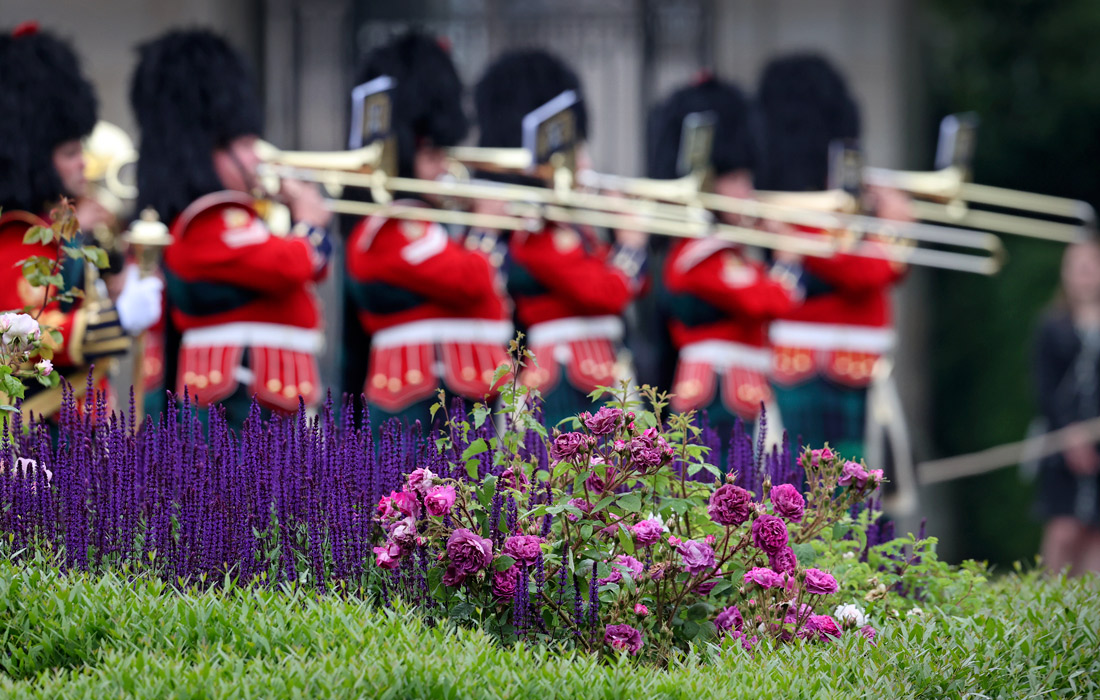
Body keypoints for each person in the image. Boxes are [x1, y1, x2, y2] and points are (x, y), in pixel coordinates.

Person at [130, 29, 333, 428]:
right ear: (204, 151)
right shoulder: (208, 221)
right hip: (235, 409)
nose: (255, 156)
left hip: (268, 400)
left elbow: (307, 270)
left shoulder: (235, 216)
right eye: (241, 144)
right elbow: (290, 265)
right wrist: (309, 222)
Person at [344, 32, 512, 428]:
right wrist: (486, 227)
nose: (444, 166)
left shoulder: (431, 222)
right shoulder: (392, 229)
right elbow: (472, 280)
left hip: (464, 393)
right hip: (420, 404)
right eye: (432, 152)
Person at [474, 49, 647, 427]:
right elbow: (605, 292)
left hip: (600, 373)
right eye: (575, 152)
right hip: (565, 382)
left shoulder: (571, 229)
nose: (585, 163)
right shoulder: (537, 236)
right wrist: (631, 246)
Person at [0, 22, 162, 418]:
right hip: (38, 425)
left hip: (83, 421)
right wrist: (117, 319)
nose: (83, 165)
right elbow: (19, 340)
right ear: (36, 159)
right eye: (71, 153)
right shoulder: (20, 235)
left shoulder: (63, 229)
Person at [755, 54, 907, 462]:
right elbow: (865, 270)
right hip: (809, 370)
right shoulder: (791, 212)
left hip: (857, 367)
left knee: (860, 506)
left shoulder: (831, 203)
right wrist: (895, 233)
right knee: (818, 503)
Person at [648, 75, 799, 451]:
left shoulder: (730, 251)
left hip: (742, 393)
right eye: (734, 178)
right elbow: (770, 301)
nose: (747, 190)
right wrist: (788, 258)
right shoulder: (698, 255)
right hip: (716, 394)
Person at [1033, 237, 1100, 576]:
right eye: (1077, 268)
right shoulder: (1051, 325)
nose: (1084, 276)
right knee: (1063, 529)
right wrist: (1071, 436)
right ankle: (1050, 604)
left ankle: (1088, 612)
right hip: (1061, 438)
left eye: (1090, 267)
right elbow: (1044, 389)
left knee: (1094, 532)